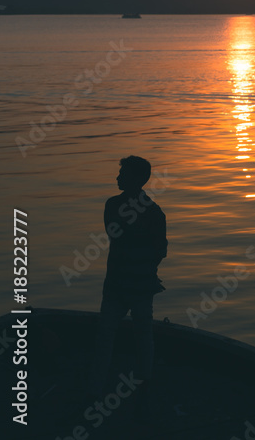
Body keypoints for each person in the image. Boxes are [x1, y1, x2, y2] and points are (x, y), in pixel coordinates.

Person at [89, 156, 168, 400]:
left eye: (122, 174)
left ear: (136, 178)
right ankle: (145, 383)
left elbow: (117, 236)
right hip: (140, 284)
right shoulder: (155, 213)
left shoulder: (113, 206)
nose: (118, 177)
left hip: (119, 285)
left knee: (107, 335)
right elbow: (159, 251)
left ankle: (97, 388)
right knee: (143, 335)